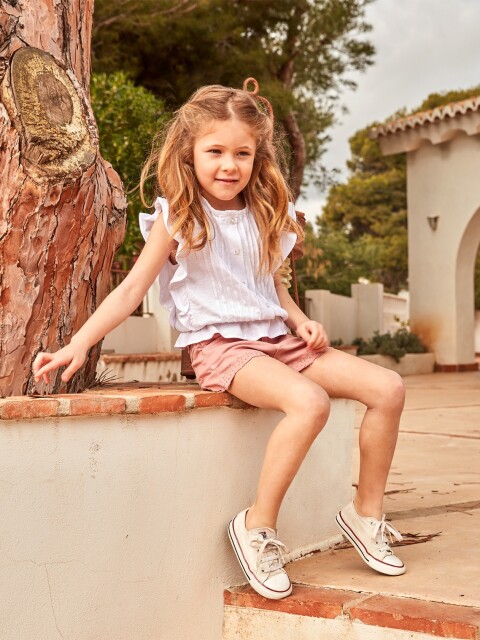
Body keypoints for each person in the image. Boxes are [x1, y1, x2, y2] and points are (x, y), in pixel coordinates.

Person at [33, 80, 407, 601]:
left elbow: (270, 283)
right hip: (220, 346)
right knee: (309, 403)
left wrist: (299, 320)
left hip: (278, 339)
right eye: (215, 151)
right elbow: (130, 291)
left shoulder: (264, 212)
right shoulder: (178, 216)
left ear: (258, 157)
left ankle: (365, 515)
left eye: (242, 153)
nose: (229, 165)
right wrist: (79, 343)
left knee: (388, 387)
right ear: (189, 152)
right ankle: (257, 527)